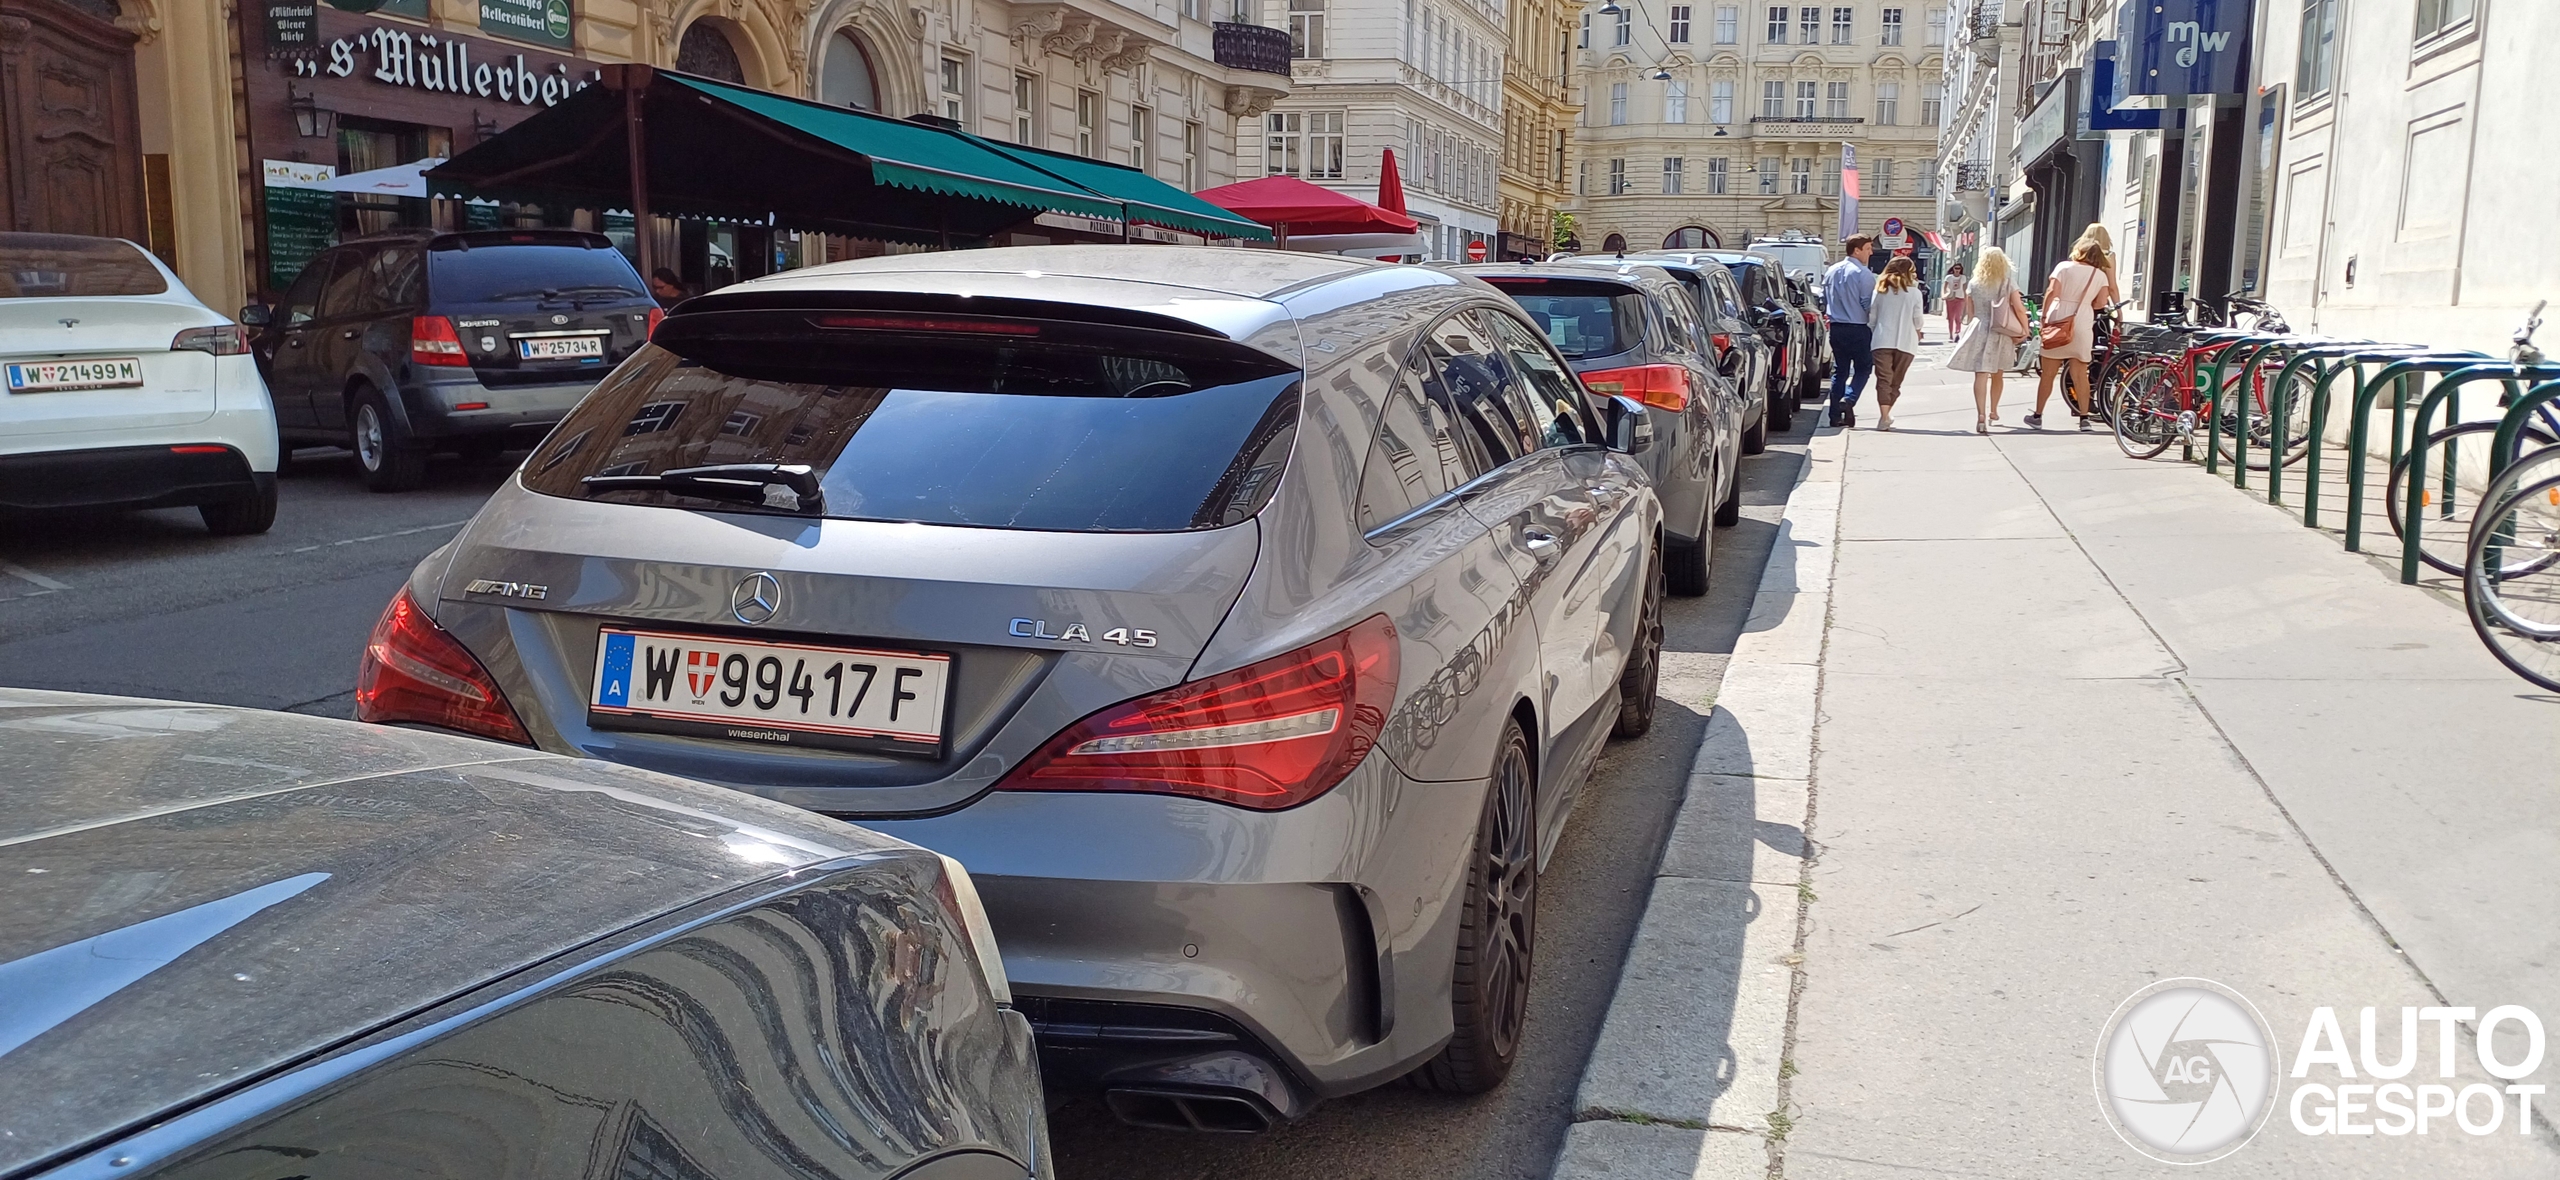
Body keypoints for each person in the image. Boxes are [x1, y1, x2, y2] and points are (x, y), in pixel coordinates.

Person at [2026, 239, 2115, 430]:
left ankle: (2038, 415)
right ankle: (2084, 418)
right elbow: (2100, 303)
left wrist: (2044, 317)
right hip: (2082, 320)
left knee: (2048, 375)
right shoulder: (2099, 275)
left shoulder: (2063, 267)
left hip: (2059, 317)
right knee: (2080, 374)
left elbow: (2052, 292)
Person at [1945, 247, 2027, 434]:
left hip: (1979, 327)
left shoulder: (1974, 283)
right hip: (2001, 329)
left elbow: (1971, 312)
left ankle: (1980, 415)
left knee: (1980, 374)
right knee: (1998, 374)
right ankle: (1994, 411)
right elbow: (2019, 308)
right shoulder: (2007, 282)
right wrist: (2025, 328)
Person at [1821, 234, 1879, 427]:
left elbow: (1824, 298)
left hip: (1836, 327)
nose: (1871, 252)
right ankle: (1850, 398)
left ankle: (1835, 415)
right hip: (1858, 327)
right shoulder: (1863, 274)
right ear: (1857, 250)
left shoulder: (1831, 271)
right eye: (1868, 248)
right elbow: (1866, 304)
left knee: (1840, 371)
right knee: (1863, 368)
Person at [1867, 257, 1926, 431]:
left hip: (1882, 339)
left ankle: (1884, 416)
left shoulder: (1880, 290)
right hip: (1906, 341)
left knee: (1883, 380)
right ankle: (1885, 416)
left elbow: (1872, 317)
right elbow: (1918, 320)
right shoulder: (1914, 292)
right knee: (1896, 381)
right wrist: (1918, 330)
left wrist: (1873, 331)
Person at [1943, 262, 1970, 339]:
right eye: (1956, 268)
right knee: (1950, 317)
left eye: (1959, 268)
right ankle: (1950, 334)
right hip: (1950, 298)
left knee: (1958, 316)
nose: (1957, 270)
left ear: (1961, 269)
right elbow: (1944, 287)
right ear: (1953, 269)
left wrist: (1966, 297)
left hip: (1960, 298)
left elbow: (1965, 288)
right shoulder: (1948, 277)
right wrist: (1943, 295)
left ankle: (1957, 332)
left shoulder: (1963, 277)